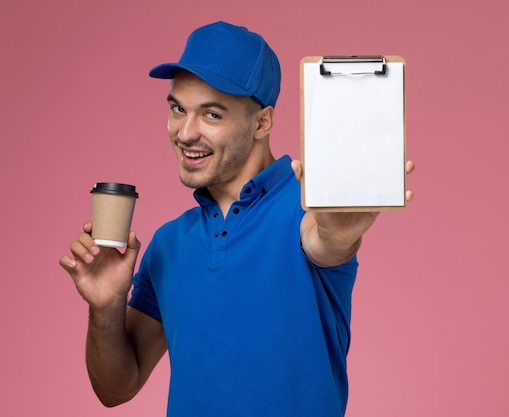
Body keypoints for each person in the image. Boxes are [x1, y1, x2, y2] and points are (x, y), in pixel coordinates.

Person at [59, 21, 414, 417]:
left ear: (262, 122)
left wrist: (337, 232)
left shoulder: (309, 208)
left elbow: (323, 242)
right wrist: (106, 308)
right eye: (178, 109)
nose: (185, 132)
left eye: (211, 114)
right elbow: (116, 388)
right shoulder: (168, 243)